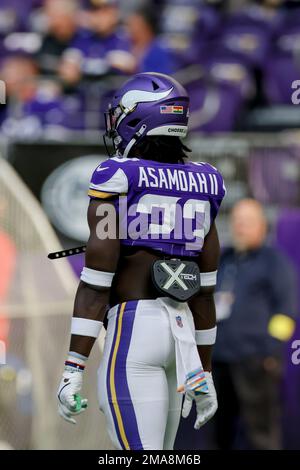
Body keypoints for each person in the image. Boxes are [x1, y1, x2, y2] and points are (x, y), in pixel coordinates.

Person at [57, 72, 226, 450]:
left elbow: (95, 284)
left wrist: (73, 368)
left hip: (136, 333)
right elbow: (205, 292)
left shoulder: (117, 176)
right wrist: (206, 369)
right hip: (183, 339)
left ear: (138, 118)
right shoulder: (207, 181)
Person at [212, 198, 297, 450]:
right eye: (237, 221)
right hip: (219, 361)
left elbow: (287, 312)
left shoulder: (275, 262)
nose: (240, 227)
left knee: (261, 434)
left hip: (256, 363)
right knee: (220, 434)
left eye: (247, 222)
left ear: (262, 226)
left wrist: (271, 350)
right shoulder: (225, 260)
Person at [126, 7, 179, 74]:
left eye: (134, 24)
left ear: (146, 26)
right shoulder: (125, 44)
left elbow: (161, 78)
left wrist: (135, 68)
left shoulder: (160, 50)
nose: (129, 29)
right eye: (128, 25)